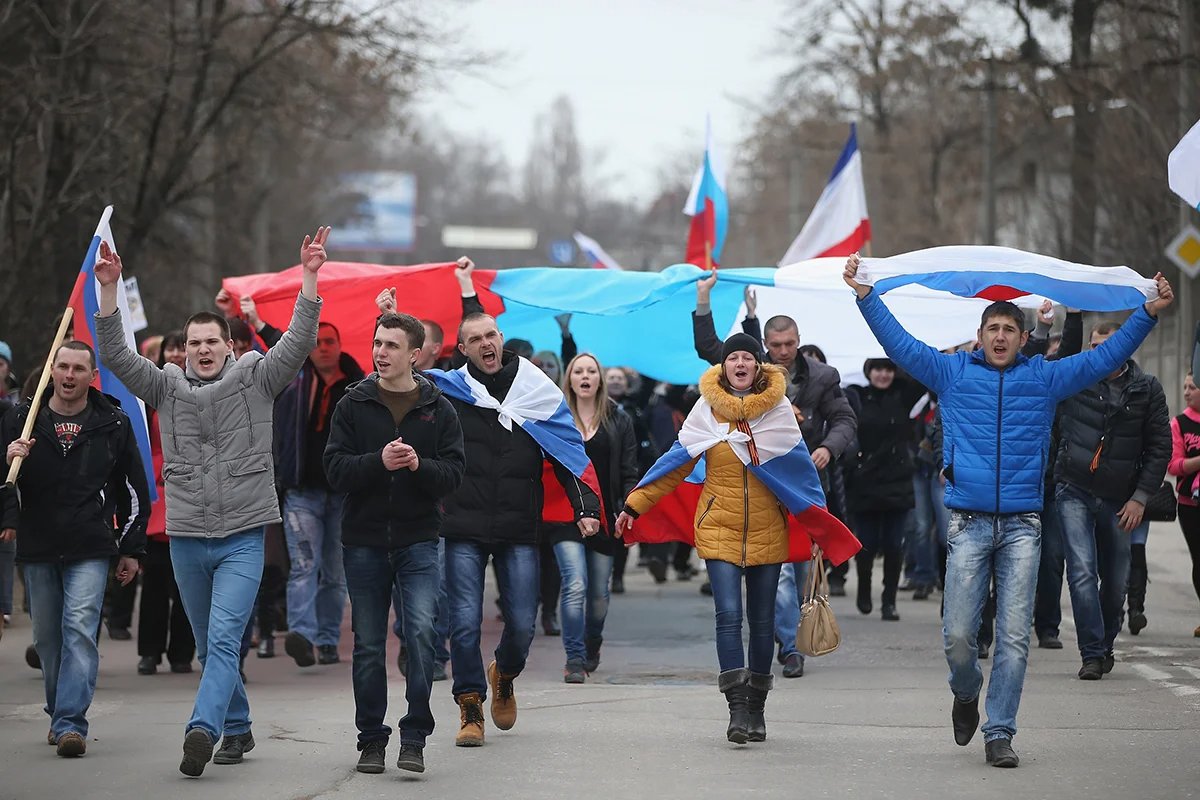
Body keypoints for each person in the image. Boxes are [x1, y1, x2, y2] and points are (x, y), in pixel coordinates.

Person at [846, 251, 1173, 768]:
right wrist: (866, 296)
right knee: (958, 636)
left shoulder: (1043, 379)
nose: (1000, 336)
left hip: (1023, 525)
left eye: (1009, 329)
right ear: (980, 334)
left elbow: (1101, 361)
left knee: (1014, 637)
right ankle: (966, 692)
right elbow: (900, 345)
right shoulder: (950, 373)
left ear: (1023, 338)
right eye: (992, 328)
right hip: (969, 524)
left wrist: (1147, 313)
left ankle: (1000, 731)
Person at [93, 229, 327, 777]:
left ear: (230, 345)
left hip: (244, 535)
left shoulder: (259, 379)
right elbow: (115, 355)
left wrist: (310, 277)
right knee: (209, 644)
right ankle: (240, 726)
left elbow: (297, 340)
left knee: (224, 639)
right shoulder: (164, 388)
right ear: (184, 349)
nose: (201, 349)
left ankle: (202, 729)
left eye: (211, 341)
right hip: (188, 538)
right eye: (193, 342)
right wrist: (108, 292)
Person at [617, 334, 854, 743]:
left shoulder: (779, 413)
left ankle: (758, 707)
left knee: (762, 624)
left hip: (768, 531)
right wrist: (634, 504)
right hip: (718, 529)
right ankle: (737, 710)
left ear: (757, 366)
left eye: (748, 357)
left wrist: (818, 527)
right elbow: (674, 463)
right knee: (728, 617)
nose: (740, 364)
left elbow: (802, 477)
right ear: (724, 367)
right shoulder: (705, 412)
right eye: (734, 358)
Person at [429, 299, 601, 747]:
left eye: (491, 335)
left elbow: (566, 452)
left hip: (519, 524)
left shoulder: (534, 388)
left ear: (501, 340)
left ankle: (504, 673)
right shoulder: (450, 390)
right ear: (463, 349)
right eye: (475, 339)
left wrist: (586, 507)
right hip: (462, 522)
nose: (485, 343)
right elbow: (394, 376)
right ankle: (470, 704)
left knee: (522, 623)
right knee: (463, 622)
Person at [693, 273, 856, 677]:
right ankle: (789, 647)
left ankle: (791, 635)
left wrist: (825, 448)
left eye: (789, 345)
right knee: (780, 578)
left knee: (800, 573)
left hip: (802, 488)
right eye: (776, 346)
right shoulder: (751, 373)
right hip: (757, 491)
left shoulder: (823, 377)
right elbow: (713, 349)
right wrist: (703, 300)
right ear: (767, 346)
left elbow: (845, 419)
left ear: (798, 343)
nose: (782, 352)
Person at [324, 312, 465, 775]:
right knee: (367, 644)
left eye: (391, 345)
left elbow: (453, 476)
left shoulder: (439, 409)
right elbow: (335, 471)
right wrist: (378, 462)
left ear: (415, 354)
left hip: (418, 539)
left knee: (422, 636)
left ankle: (415, 735)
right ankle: (370, 738)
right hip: (363, 540)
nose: (380, 352)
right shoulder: (353, 403)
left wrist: (418, 466)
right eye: (377, 343)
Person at [1, 340, 149, 757]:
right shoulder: (21, 418)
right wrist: (6, 458)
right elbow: (4, 483)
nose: (69, 376)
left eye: (78, 369)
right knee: (48, 639)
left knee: (80, 630)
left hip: (90, 543)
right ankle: (58, 711)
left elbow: (135, 490)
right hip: (38, 544)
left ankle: (70, 723)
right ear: (52, 371)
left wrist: (131, 548)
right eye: (62, 367)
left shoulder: (113, 423)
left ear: (91, 376)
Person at [1052, 321, 1169, 678]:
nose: (1100, 351)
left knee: (1115, 579)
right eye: (1094, 345)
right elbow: (1063, 356)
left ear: (1126, 346)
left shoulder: (1147, 389)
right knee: (1082, 570)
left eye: (1108, 344)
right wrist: (1072, 312)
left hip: (1121, 498)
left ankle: (1105, 644)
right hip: (1073, 487)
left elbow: (1160, 447)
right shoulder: (1076, 378)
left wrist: (1140, 497)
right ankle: (1091, 652)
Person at [274, 321, 365, 668]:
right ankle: (301, 635)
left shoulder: (359, 386)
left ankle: (327, 639)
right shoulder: (293, 382)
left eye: (331, 341)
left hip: (345, 494)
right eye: (318, 342)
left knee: (335, 572)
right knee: (303, 565)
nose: (324, 348)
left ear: (340, 344)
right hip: (301, 490)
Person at [546, 353, 637, 682]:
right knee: (575, 583)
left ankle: (592, 642)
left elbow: (629, 470)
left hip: (606, 517)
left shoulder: (619, 418)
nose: (585, 376)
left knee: (599, 593)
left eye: (591, 371)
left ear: (599, 379)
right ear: (569, 379)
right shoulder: (555, 417)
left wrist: (628, 506)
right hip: (563, 515)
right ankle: (574, 658)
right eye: (578, 371)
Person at [844, 358, 920, 622]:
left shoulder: (903, 395)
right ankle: (864, 589)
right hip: (866, 482)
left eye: (888, 369)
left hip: (897, 480)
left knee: (893, 544)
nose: (883, 374)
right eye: (878, 369)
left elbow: (922, 379)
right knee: (866, 543)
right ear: (868, 371)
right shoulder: (858, 397)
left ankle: (889, 601)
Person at [1167, 372, 1200, 636]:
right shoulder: (1179, 424)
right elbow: (1174, 465)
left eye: (1193, 387)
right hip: (1190, 505)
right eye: (1185, 387)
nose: (1187, 392)